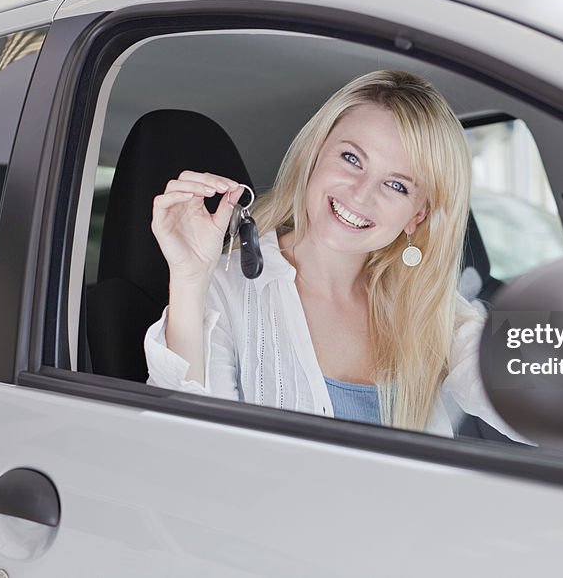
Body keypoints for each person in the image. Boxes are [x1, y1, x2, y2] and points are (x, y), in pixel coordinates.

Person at [144, 70, 528, 440]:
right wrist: (190, 278)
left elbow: (553, 391)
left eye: (396, 185)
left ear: (417, 216)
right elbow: (190, 446)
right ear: (315, 154)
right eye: (352, 159)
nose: (360, 194)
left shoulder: (429, 309)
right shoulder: (225, 292)